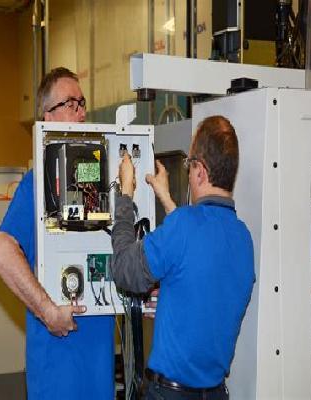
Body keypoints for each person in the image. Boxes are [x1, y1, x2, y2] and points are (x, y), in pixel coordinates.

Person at [0, 67, 115, 399]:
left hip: (98, 373)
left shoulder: (101, 186)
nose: (82, 112)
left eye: (82, 103)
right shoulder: (38, 184)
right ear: (48, 116)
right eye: (70, 104)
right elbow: (1, 250)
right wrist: (47, 311)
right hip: (58, 376)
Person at [111, 115, 255, 400]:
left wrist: (124, 195)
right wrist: (166, 199)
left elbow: (124, 269)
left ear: (200, 170)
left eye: (190, 165)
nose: (189, 174)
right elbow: (196, 254)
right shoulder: (243, 237)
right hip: (215, 393)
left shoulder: (184, 226)